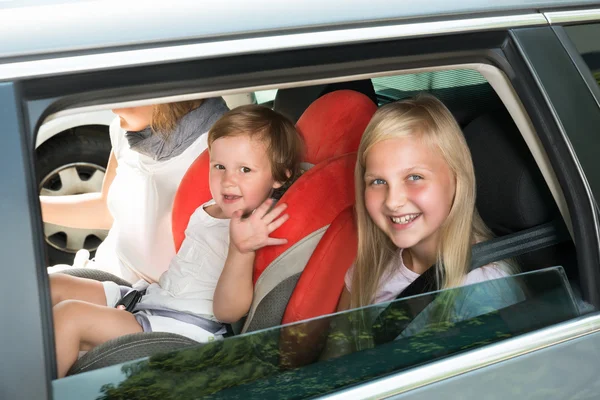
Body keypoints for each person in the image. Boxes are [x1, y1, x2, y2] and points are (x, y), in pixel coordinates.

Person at [50, 105, 304, 378]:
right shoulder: (209, 208)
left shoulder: (253, 230)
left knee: (68, 317)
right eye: (219, 166)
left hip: (184, 328)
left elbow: (229, 312)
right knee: (52, 287)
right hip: (152, 300)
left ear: (279, 175)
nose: (228, 180)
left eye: (245, 169)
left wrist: (241, 251)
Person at [337, 94, 517, 312]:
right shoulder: (370, 268)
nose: (393, 201)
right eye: (378, 181)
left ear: (456, 179)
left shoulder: (484, 289)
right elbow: (340, 340)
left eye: (414, 177)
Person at [42, 98, 229, 284]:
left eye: (126, 93)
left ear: (166, 98)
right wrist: (29, 208)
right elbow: (107, 210)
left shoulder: (224, 150)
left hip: (149, 299)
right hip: (102, 274)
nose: (111, 106)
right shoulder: (126, 133)